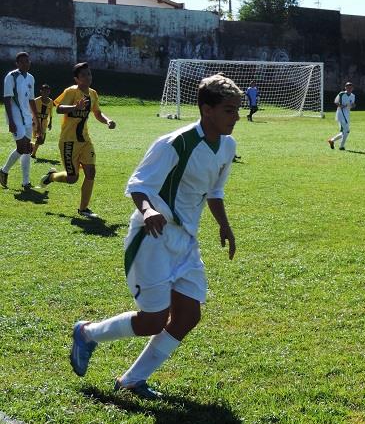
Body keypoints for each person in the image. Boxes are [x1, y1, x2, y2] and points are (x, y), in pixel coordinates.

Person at [68, 74, 241, 399]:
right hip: (153, 237)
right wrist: (147, 210)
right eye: (229, 110)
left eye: (237, 110)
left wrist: (224, 225)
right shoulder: (175, 142)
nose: (236, 117)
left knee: (188, 315)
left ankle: (132, 380)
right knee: (153, 319)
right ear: (207, 109)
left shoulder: (228, 146)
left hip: (185, 242)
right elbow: (139, 183)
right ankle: (87, 334)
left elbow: (215, 191)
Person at [40, 62, 116, 218]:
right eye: (83, 75)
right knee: (72, 178)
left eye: (89, 74)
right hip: (69, 141)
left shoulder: (93, 94)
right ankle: (52, 176)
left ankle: (83, 209)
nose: (88, 77)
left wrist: (108, 121)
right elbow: (59, 108)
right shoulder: (71, 92)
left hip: (85, 141)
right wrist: (75, 107)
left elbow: (98, 113)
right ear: (76, 78)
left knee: (91, 172)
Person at [1, 52, 40, 190]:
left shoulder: (30, 78)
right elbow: (6, 99)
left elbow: (31, 100)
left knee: (27, 149)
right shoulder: (11, 76)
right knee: (22, 147)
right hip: (16, 118)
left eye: (27, 61)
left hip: (27, 117)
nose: (25, 64)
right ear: (17, 64)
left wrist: (37, 119)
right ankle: (4, 170)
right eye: (22, 62)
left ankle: (25, 181)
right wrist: (11, 121)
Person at [327, 82, 356, 150]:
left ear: (352, 88)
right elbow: (335, 102)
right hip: (341, 114)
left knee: (344, 132)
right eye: (347, 87)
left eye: (350, 87)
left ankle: (332, 140)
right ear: (345, 87)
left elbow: (352, 105)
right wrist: (341, 106)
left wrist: (353, 105)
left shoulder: (353, 96)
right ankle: (341, 146)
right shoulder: (341, 94)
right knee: (347, 131)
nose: (349, 88)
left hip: (347, 114)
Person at [31, 84, 54, 160]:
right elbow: (31, 111)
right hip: (36, 122)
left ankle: (32, 146)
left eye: (47, 91)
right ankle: (33, 154)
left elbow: (51, 112)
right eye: (44, 91)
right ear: (41, 91)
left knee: (41, 141)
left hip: (44, 123)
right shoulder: (36, 100)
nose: (46, 93)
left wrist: (50, 122)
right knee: (39, 138)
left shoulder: (51, 101)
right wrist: (32, 120)